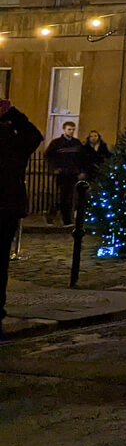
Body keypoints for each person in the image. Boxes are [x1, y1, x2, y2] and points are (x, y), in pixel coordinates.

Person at [0, 100, 43, 330]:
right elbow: (34, 135)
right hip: (8, 208)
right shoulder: (16, 145)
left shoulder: (13, 145)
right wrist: (12, 113)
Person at [43, 121, 88, 225]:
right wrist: (55, 167)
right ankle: (52, 216)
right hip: (61, 173)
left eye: (73, 129)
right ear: (64, 129)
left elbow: (82, 158)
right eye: (69, 129)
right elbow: (48, 156)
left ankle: (67, 219)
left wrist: (81, 170)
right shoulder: (56, 143)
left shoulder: (76, 143)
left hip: (73, 173)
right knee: (57, 196)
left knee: (69, 197)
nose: (71, 131)